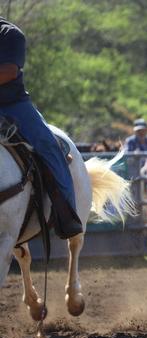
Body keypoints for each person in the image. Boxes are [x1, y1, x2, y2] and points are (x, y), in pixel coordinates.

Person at [0, 17, 82, 239]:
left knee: (47, 143)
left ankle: (66, 211)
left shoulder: (10, 34)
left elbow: (9, 71)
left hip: (12, 105)